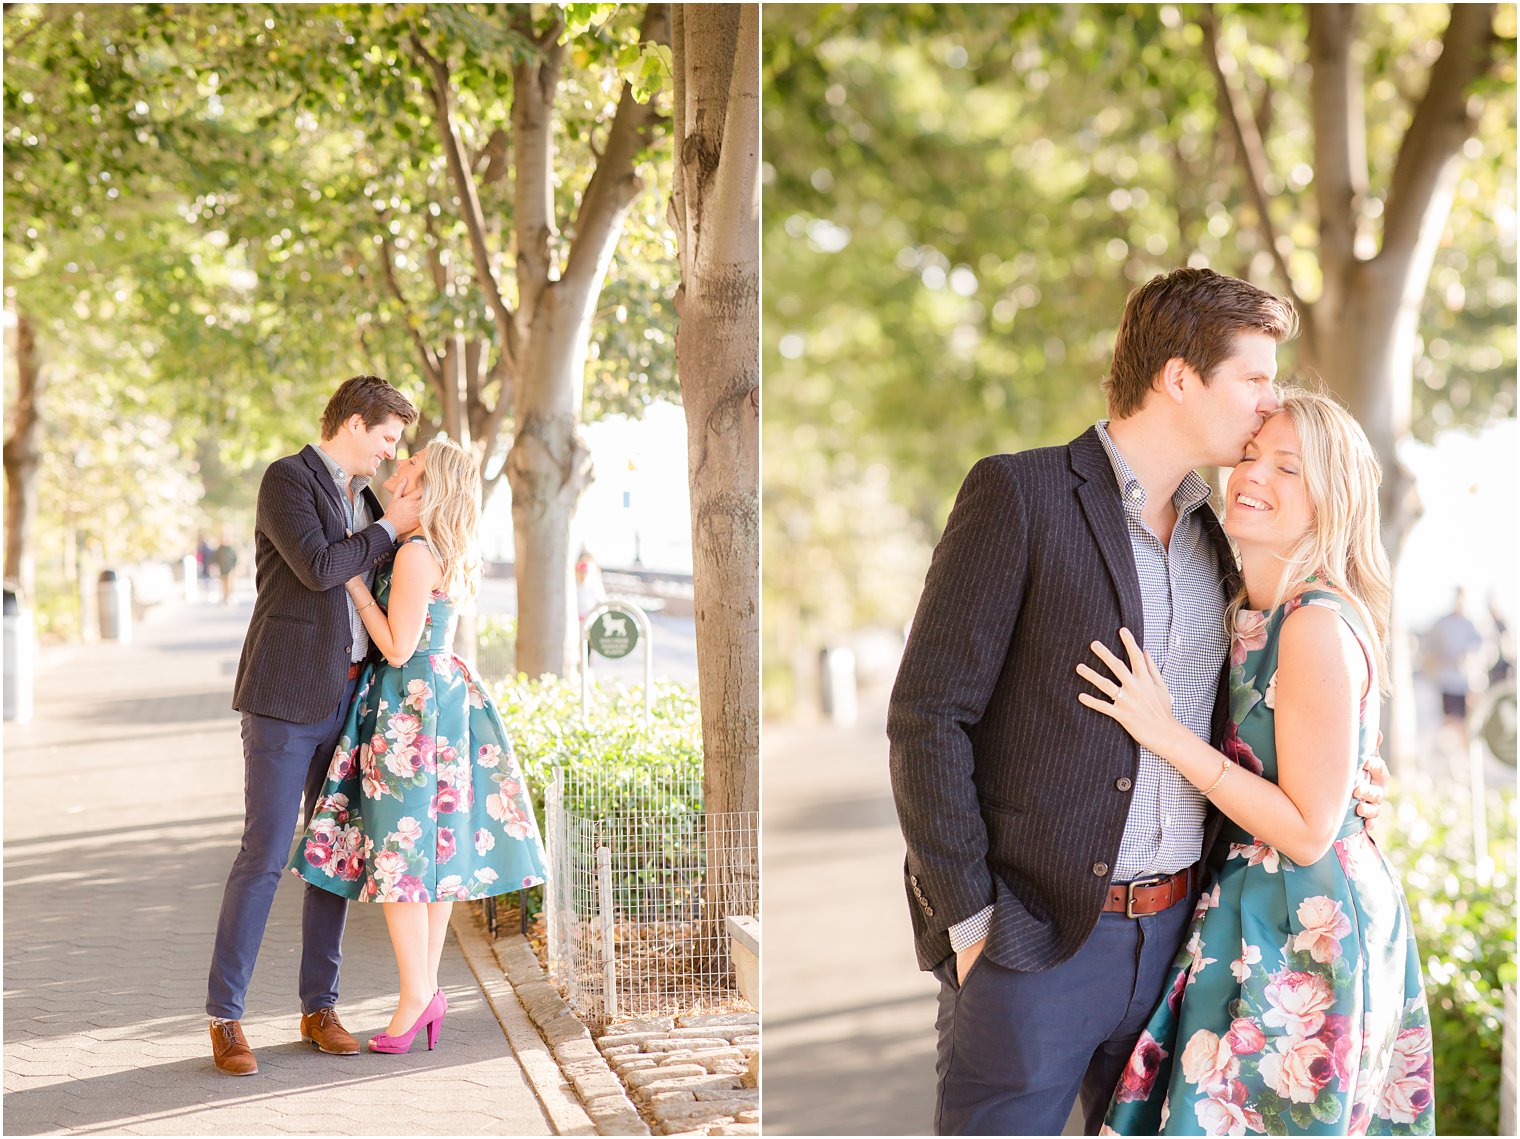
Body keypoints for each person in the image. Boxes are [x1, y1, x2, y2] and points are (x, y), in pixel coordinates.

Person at [887, 268, 1386, 1136]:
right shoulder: (1021, 494)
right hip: (1030, 946)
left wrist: (1347, 779)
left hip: (1182, 947)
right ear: (1181, 378)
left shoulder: (1221, 538)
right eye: (1255, 376)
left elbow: (1260, 720)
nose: (1270, 398)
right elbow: (928, 718)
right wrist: (973, 929)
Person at [1090, 391, 1432, 1134]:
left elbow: (1309, 831)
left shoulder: (1312, 624)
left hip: (1306, 928)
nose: (1254, 475)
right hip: (1252, 906)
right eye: (1250, 454)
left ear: (1329, 501)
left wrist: (1166, 732)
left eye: (1289, 467)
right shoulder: (1250, 608)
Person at [289, 436, 548, 1054]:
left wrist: (352, 585)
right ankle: (423, 992)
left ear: (428, 489)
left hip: (410, 704)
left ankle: (416, 998)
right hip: (441, 702)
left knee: (402, 859)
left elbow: (397, 647)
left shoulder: (414, 556)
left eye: (414, 465)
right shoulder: (438, 549)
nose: (401, 466)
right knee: (428, 864)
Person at [207, 375, 421, 1076]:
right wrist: (392, 528)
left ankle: (318, 1006)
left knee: (330, 859)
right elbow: (324, 566)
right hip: (281, 700)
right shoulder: (286, 480)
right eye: (387, 438)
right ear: (355, 424)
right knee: (265, 854)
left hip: (347, 703)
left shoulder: (364, 498)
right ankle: (226, 1015)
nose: (390, 455)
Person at [1428, 587, 1486, 750]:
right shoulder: (1443, 623)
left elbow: (1480, 648)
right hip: (1447, 681)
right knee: (1448, 720)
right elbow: (1432, 648)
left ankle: (1462, 755)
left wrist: (1468, 656)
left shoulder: (1471, 623)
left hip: (1464, 682)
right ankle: (1448, 753)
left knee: (1464, 722)